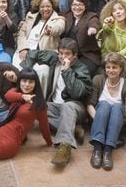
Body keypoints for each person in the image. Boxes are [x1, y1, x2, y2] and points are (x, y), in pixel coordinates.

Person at [21, 38, 92, 168]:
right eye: (61, 53)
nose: (63, 57)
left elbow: (78, 93)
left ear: (75, 55)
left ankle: (64, 148)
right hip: (54, 105)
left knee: (67, 106)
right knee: (35, 103)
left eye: (67, 54)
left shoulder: (82, 69)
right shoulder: (55, 59)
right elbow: (33, 53)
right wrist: (26, 70)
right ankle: (73, 128)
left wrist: (67, 71)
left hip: (75, 107)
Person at [87, 53, 126, 171]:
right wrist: (100, 118)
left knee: (117, 107)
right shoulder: (98, 79)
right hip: (99, 119)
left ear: (121, 69)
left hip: (118, 122)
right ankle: (97, 149)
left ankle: (108, 151)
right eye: (108, 67)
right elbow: (90, 104)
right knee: (104, 105)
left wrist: (112, 119)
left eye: (114, 67)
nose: (111, 70)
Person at [13, 0, 65, 72]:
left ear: (52, 7)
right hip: (25, 51)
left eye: (48, 6)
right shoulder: (30, 17)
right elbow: (22, 34)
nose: (45, 9)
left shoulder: (59, 19)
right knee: (16, 67)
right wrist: (23, 48)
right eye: (42, 7)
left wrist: (51, 30)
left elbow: (59, 28)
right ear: (38, 7)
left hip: (43, 56)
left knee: (41, 71)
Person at [62, 0, 101, 77]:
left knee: (82, 73)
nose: (77, 7)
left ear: (85, 6)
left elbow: (94, 23)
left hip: (87, 55)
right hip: (69, 53)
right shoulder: (66, 15)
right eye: (74, 4)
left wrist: (93, 29)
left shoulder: (91, 16)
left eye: (80, 5)